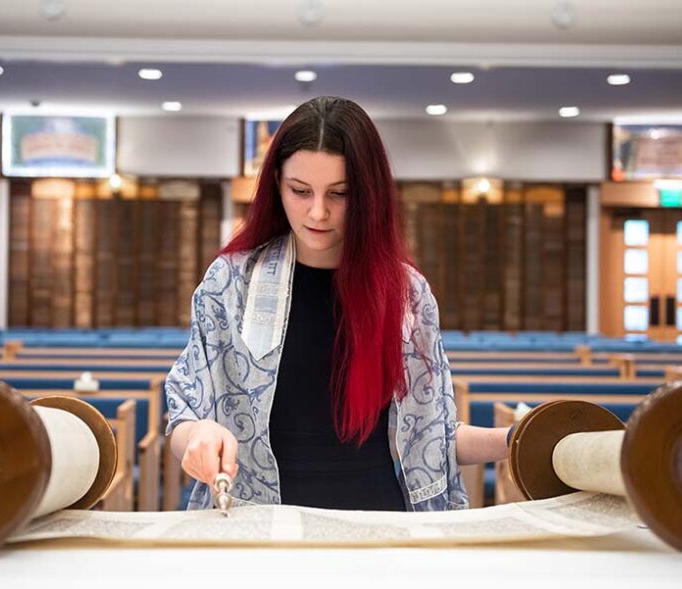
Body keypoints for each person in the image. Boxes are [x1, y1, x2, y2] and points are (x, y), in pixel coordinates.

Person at [165, 96, 510, 512]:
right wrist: (197, 434)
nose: (318, 212)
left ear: (368, 195)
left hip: (374, 522)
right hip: (258, 520)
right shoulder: (231, 283)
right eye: (300, 191)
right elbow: (185, 415)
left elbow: (431, 437)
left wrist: (517, 439)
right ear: (276, 183)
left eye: (340, 194)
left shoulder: (405, 294)